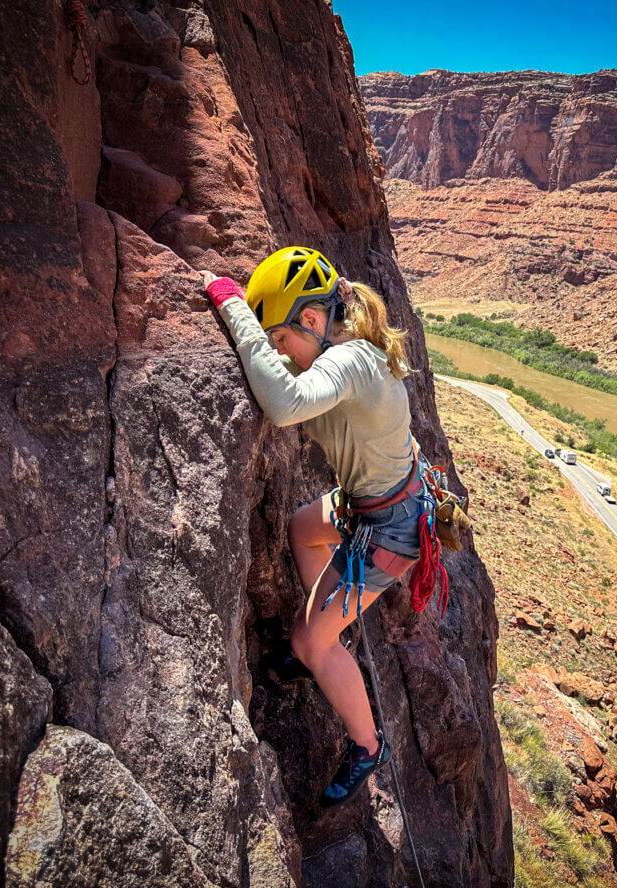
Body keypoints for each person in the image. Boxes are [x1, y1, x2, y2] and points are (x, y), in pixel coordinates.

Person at [200, 247, 427, 807]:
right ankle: (327, 634)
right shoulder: (345, 351)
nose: (283, 354)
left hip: (389, 530)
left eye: (282, 340)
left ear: (311, 320)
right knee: (304, 528)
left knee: (306, 641)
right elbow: (293, 378)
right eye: (274, 345)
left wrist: (233, 309)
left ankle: (369, 745)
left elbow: (283, 402)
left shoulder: (350, 362)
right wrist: (267, 338)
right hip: (372, 505)